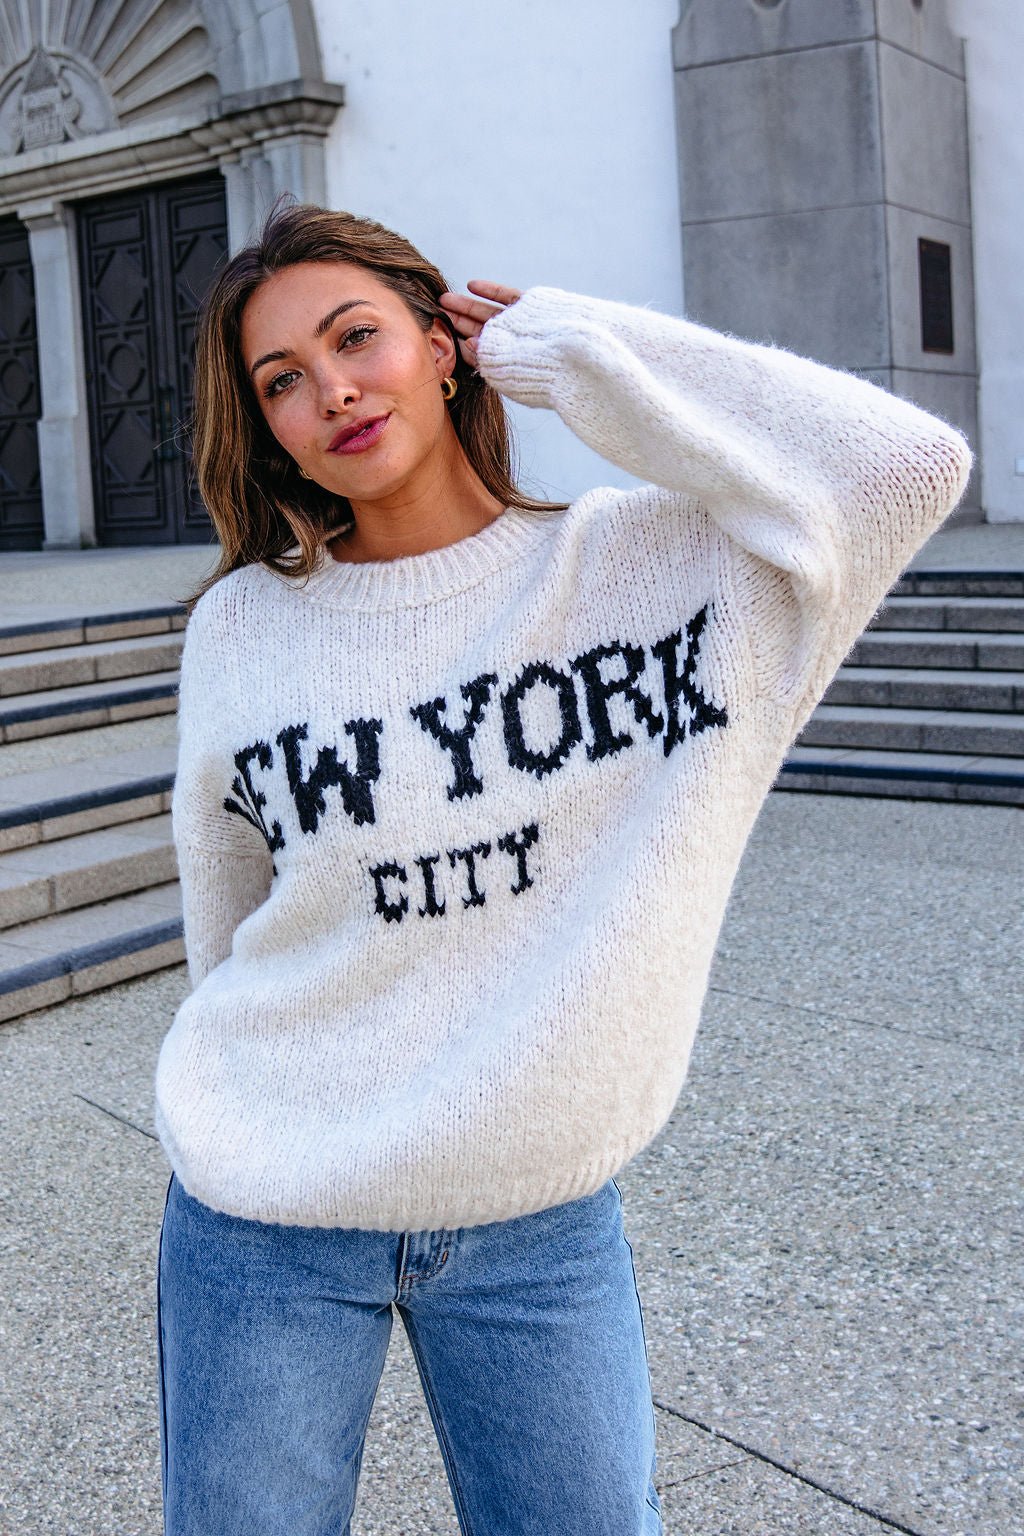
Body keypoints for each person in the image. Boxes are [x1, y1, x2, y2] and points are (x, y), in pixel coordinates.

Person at [154, 200, 972, 1535]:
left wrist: (577, 352)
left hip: (536, 1216)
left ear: (446, 347)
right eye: (281, 380)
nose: (332, 391)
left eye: (356, 338)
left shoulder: (664, 571)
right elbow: (228, 919)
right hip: (263, 1212)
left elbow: (906, 466)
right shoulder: (244, 627)